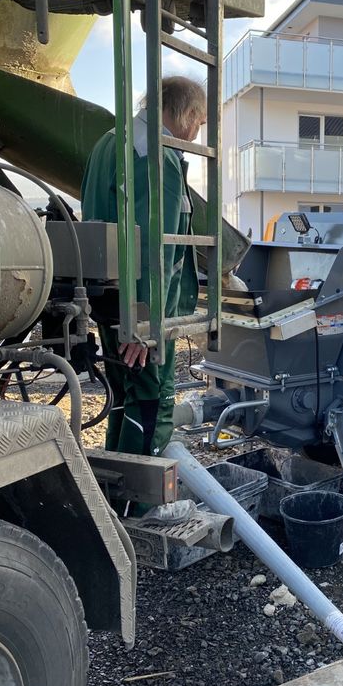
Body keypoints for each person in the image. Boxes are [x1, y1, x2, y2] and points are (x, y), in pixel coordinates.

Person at [81, 76, 205, 458]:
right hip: (142, 309)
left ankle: (113, 496)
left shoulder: (109, 140)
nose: (197, 133)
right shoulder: (157, 154)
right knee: (151, 402)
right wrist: (145, 323)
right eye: (198, 121)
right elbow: (156, 247)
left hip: (107, 298)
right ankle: (141, 509)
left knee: (123, 396)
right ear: (183, 113)